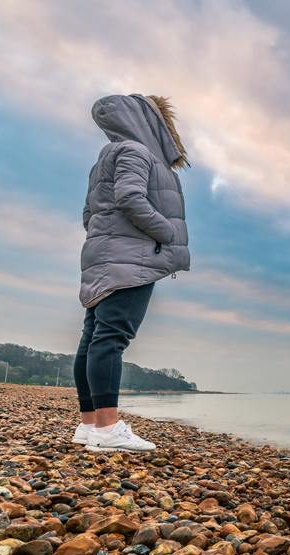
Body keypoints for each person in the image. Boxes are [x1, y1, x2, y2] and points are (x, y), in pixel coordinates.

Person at [72, 94, 190, 452]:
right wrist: (165, 232)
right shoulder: (136, 152)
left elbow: (88, 215)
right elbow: (130, 197)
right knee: (111, 338)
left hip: (106, 255)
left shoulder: (108, 156)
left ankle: (89, 425)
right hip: (129, 260)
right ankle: (108, 428)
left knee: (94, 337)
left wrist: (109, 239)